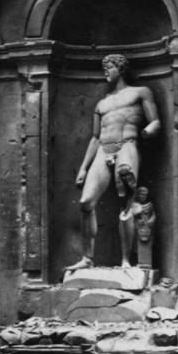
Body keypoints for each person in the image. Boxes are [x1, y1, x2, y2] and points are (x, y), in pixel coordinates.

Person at [69, 54, 161, 271]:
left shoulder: (140, 92)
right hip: (103, 150)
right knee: (85, 202)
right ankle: (87, 258)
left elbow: (156, 121)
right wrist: (83, 168)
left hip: (127, 144)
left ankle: (126, 261)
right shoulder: (102, 103)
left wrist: (148, 131)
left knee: (126, 200)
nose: (105, 72)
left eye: (108, 67)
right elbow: (95, 137)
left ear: (120, 68)